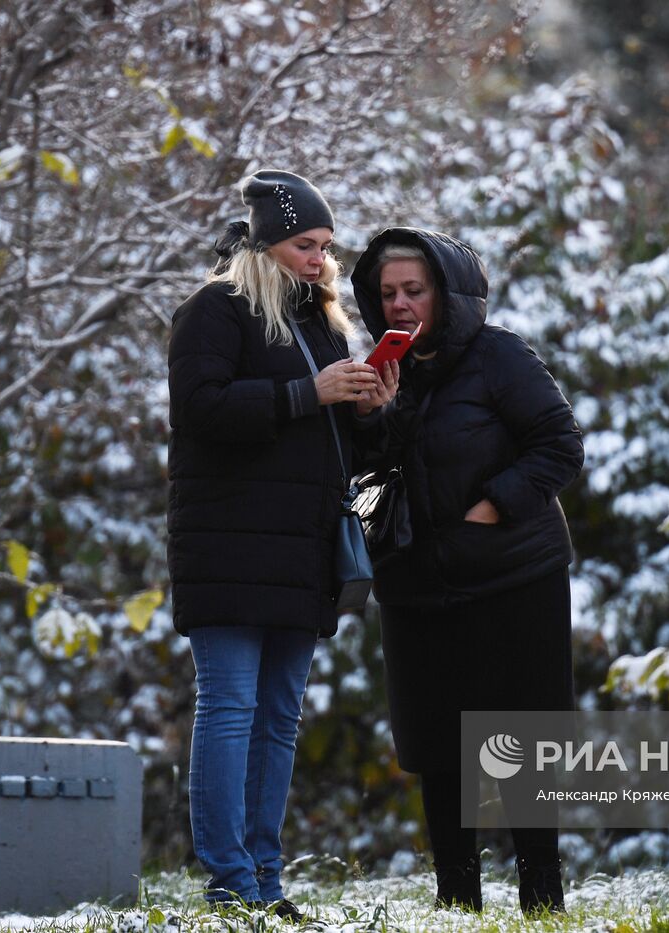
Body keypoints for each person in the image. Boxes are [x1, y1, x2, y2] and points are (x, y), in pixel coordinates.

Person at [165, 170, 398, 918]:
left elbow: (340, 450)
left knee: (279, 716)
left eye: (326, 246)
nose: (319, 259)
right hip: (227, 544)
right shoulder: (215, 310)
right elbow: (199, 409)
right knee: (230, 706)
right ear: (266, 243)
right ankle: (229, 883)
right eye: (306, 244)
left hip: (302, 549)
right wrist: (312, 393)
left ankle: (266, 881)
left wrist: (373, 409)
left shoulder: (322, 322)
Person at [351, 228, 584, 916]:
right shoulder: (378, 372)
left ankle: (542, 899)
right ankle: (457, 901)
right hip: (418, 588)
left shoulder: (498, 355)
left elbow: (560, 445)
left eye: (413, 290)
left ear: (446, 292)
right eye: (387, 292)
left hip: (515, 578)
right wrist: (377, 417)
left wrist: (494, 505)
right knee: (438, 746)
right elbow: (365, 477)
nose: (399, 304)